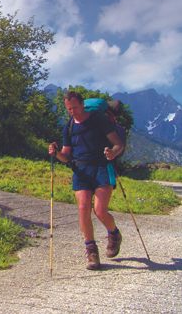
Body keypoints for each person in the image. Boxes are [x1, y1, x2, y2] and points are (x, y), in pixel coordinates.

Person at [48, 91, 125, 270]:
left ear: (82, 104)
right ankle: (91, 251)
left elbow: (118, 144)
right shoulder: (69, 127)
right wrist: (57, 153)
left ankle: (114, 234)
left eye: (75, 107)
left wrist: (112, 152)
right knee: (83, 208)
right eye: (69, 109)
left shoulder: (98, 120)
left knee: (100, 210)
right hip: (80, 170)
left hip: (101, 168)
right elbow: (66, 156)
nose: (72, 111)